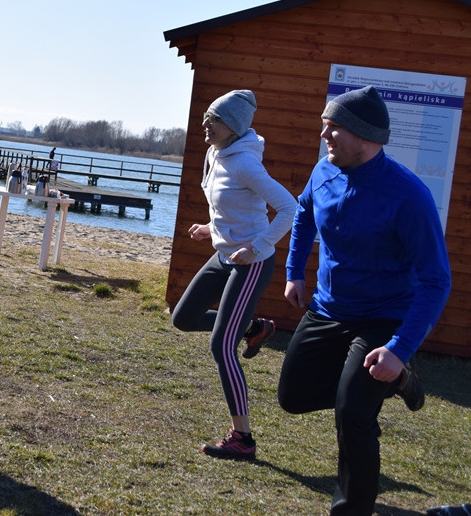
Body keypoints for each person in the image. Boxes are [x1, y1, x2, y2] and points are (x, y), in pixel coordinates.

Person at [277, 86, 451, 515]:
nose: (325, 135)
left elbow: (435, 281)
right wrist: (294, 271)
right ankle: (400, 381)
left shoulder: (408, 196)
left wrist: (398, 348)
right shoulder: (324, 171)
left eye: (333, 128)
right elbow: (303, 212)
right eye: (324, 125)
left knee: (353, 412)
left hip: (384, 316)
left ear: (366, 136)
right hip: (328, 307)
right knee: (292, 396)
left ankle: (352, 506)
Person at [170, 89, 296, 460]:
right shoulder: (216, 153)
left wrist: (255, 247)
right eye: (207, 117)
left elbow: (289, 208)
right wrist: (212, 227)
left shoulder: (245, 164)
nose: (206, 124)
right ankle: (254, 328)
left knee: (221, 346)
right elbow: (231, 206)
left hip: (251, 263)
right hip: (224, 254)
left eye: (215, 120)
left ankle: (243, 438)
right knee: (184, 318)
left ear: (234, 127)